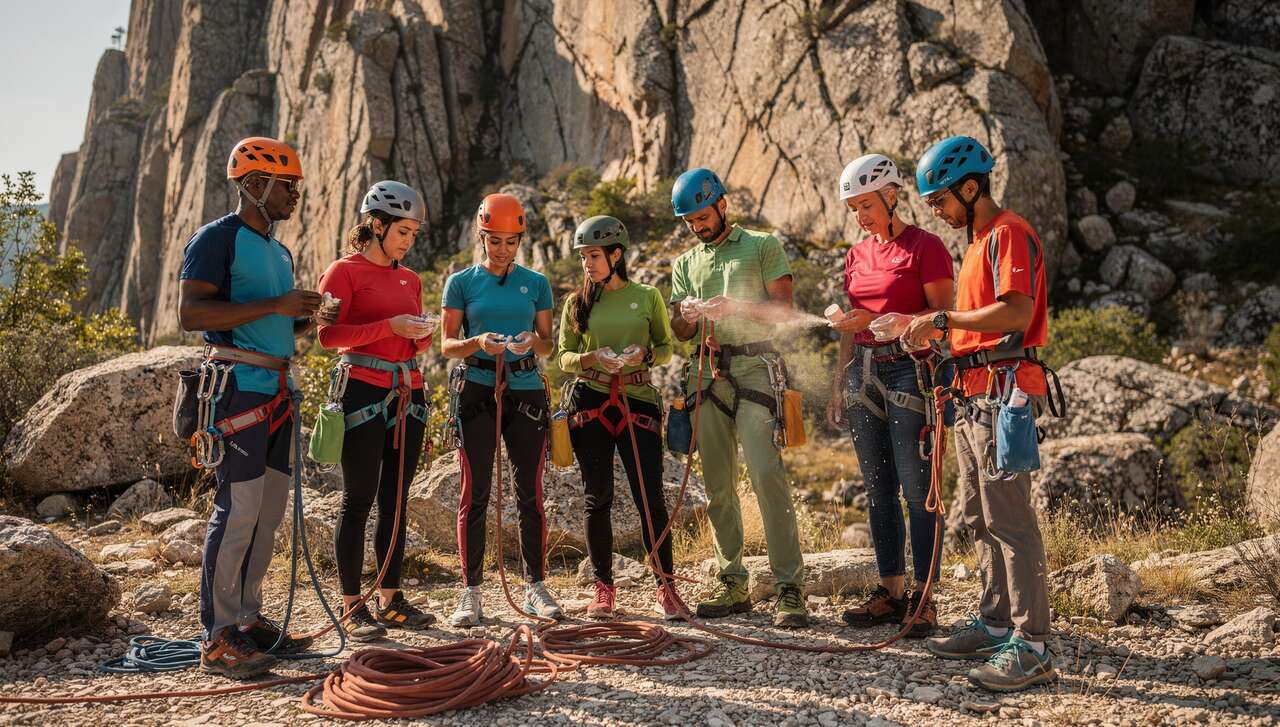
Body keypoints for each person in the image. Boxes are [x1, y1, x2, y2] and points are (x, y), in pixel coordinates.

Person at [901, 135, 1056, 692]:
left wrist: (945, 322)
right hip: (973, 393)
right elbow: (976, 322)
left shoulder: (1008, 233)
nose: (936, 212)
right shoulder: (978, 240)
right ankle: (995, 622)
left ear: (971, 187)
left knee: (1010, 520)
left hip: (1002, 391)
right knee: (979, 515)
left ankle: (1032, 643)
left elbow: (1016, 310)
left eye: (940, 199)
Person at [179, 137, 333, 679]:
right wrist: (277, 304)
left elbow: (268, 319)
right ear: (253, 185)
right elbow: (192, 313)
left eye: (294, 187)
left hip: (276, 389)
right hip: (237, 388)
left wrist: (304, 318)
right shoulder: (216, 240)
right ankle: (216, 635)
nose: (294, 196)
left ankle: (246, 619)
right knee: (238, 507)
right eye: (285, 186)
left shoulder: (278, 251)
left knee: (267, 511)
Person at [668, 167, 808, 628]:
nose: (696, 226)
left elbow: (783, 311)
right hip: (707, 372)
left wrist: (735, 308)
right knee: (718, 485)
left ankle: (789, 585)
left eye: (702, 216)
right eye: (689, 221)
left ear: (722, 204)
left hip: (755, 366)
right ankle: (732, 581)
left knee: (767, 473)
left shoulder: (762, 245)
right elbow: (679, 330)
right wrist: (687, 317)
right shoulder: (686, 264)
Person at [826, 154, 954, 638]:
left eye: (866, 205)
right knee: (878, 491)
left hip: (910, 373)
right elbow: (850, 325)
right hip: (862, 371)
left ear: (891, 195)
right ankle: (890, 592)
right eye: (853, 209)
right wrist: (840, 378)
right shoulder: (856, 256)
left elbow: (943, 319)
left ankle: (925, 598)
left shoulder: (926, 247)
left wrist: (900, 327)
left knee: (918, 490)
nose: (861, 216)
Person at [317, 180, 438, 641]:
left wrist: (419, 333)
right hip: (363, 395)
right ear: (376, 224)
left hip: (409, 391)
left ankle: (390, 597)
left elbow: (418, 340)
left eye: (413, 234)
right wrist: (389, 325)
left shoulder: (411, 278)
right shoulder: (342, 273)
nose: (408, 241)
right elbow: (328, 336)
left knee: (396, 500)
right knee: (359, 498)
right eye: (403, 231)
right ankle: (352, 605)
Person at [440, 193, 561, 626]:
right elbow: (447, 344)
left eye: (511, 241)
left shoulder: (538, 283)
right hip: (476, 387)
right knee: (475, 494)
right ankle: (470, 593)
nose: (503, 249)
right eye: (495, 241)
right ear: (482, 236)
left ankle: (535, 587)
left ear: (520, 240)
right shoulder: (461, 283)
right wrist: (477, 342)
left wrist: (532, 342)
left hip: (526, 389)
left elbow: (549, 342)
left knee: (531, 492)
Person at [555, 215, 680, 620]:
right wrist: (591, 357)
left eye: (593, 256)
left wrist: (643, 356)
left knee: (650, 500)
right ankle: (603, 588)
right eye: (583, 257)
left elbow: (665, 348)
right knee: (598, 498)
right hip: (590, 402)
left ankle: (667, 587)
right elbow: (563, 357)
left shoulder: (647, 296)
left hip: (638, 402)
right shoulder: (576, 303)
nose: (587, 264)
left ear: (616, 255)